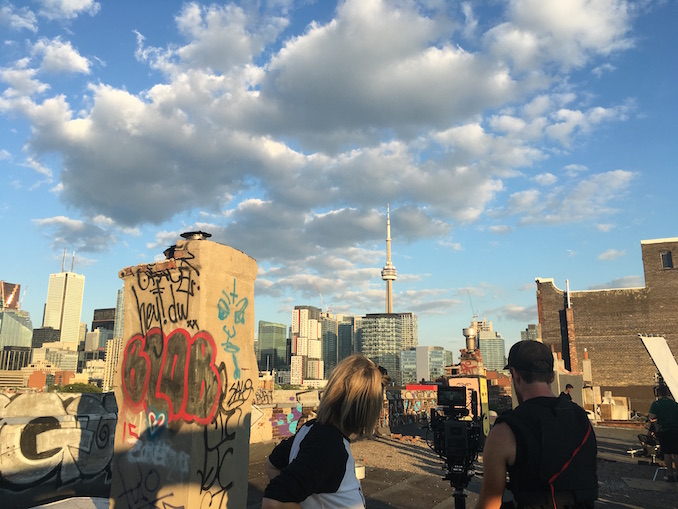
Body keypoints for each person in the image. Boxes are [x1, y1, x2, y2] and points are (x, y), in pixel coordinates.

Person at [475, 341, 598, 509]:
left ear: (515, 375)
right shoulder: (582, 419)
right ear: (552, 376)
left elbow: (489, 504)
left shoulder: (504, 432)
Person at [262, 354, 385, 509]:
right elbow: (274, 501)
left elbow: (272, 465)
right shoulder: (329, 447)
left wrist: (303, 499)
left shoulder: (311, 429)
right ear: (366, 409)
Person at [648, 384, 678, 482]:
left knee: (667, 453)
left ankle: (670, 474)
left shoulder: (656, 404)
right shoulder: (674, 404)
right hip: (675, 430)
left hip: (664, 430)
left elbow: (651, 418)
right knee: (676, 453)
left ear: (658, 393)